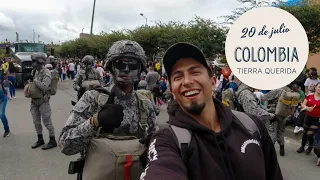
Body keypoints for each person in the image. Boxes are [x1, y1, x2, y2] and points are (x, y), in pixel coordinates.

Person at [140, 42, 283, 180]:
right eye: (178, 76)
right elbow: (161, 169)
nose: (187, 81)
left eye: (195, 72)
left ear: (213, 82)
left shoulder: (252, 126)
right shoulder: (166, 141)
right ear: (173, 91)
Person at [58, 40, 158, 155]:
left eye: (133, 63)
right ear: (110, 67)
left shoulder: (145, 104)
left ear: (141, 69)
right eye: (119, 62)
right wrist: (96, 121)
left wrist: (152, 149)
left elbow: (157, 144)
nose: (126, 68)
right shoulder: (92, 98)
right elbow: (65, 145)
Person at [29, 53, 57, 150]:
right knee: (36, 122)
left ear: (40, 62)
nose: (32, 64)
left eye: (34, 62)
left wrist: (34, 80)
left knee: (47, 121)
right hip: (34, 101)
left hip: (43, 101)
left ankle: (52, 140)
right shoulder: (35, 71)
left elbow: (44, 86)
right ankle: (40, 139)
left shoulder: (46, 73)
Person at [297, 82, 320, 154]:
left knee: (309, 134)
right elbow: (303, 104)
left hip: (317, 119)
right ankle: (302, 147)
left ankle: (310, 146)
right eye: (319, 87)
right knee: (305, 133)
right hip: (308, 117)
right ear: (315, 87)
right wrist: (307, 108)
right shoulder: (310, 95)